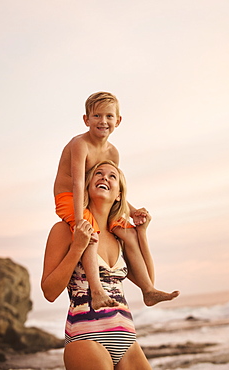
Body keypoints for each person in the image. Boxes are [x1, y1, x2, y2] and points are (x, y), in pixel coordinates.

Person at [42, 161, 179, 369]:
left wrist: (141, 234)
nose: (104, 177)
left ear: (119, 195)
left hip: (127, 339)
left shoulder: (119, 235)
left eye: (112, 176)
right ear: (87, 185)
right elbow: (49, 292)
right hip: (86, 336)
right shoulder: (64, 230)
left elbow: (148, 284)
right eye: (98, 173)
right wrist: (77, 248)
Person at [53, 91, 176, 310]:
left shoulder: (113, 152)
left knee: (127, 231)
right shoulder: (80, 144)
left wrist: (133, 211)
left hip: (92, 197)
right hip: (70, 197)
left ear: (118, 121)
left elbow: (112, 187)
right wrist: (81, 221)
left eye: (109, 116)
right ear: (86, 120)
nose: (103, 121)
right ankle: (97, 290)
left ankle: (148, 290)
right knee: (90, 230)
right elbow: (78, 184)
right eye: (97, 116)